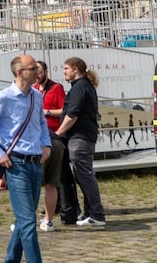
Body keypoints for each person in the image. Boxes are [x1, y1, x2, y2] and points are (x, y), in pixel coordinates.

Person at [0, 54, 52, 263]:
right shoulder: (4, 98)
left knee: (24, 220)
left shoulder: (36, 96)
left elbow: (41, 123)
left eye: (37, 68)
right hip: (16, 164)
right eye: (33, 68)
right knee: (28, 221)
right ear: (19, 72)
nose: (37, 72)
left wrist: (46, 144)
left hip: (36, 162)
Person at [56, 56, 106, 227]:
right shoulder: (82, 86)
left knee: (84, 175)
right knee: (83, 175)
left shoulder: (80, 87)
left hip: (80, 138)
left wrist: (58, 133)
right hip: (80, 137)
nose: (64, 72)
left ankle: (97, 214)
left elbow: (72, 115)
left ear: (75, 69)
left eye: (66, 68)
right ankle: (90, 213)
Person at [34, 61, 66, 232]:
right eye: (34, 71)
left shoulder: (56, 88)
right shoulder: (33, 89)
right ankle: (28, 219)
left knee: (51, 182)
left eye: (39, 71)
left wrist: (46, 112)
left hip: (53, 137)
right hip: (36, 139)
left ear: (46, 71)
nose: (37, 75)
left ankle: (49, 220)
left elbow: (64, 110)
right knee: (33, 182)